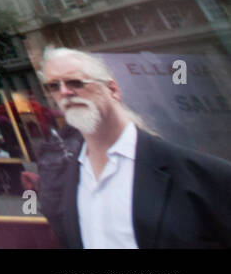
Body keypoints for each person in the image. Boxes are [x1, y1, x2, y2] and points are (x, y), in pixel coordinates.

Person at [33, 47, 231, 248]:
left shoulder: (205, 174)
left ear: (112, 89)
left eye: (75, 82)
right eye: (54, 86)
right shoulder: (67, 175)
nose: (65, 92)